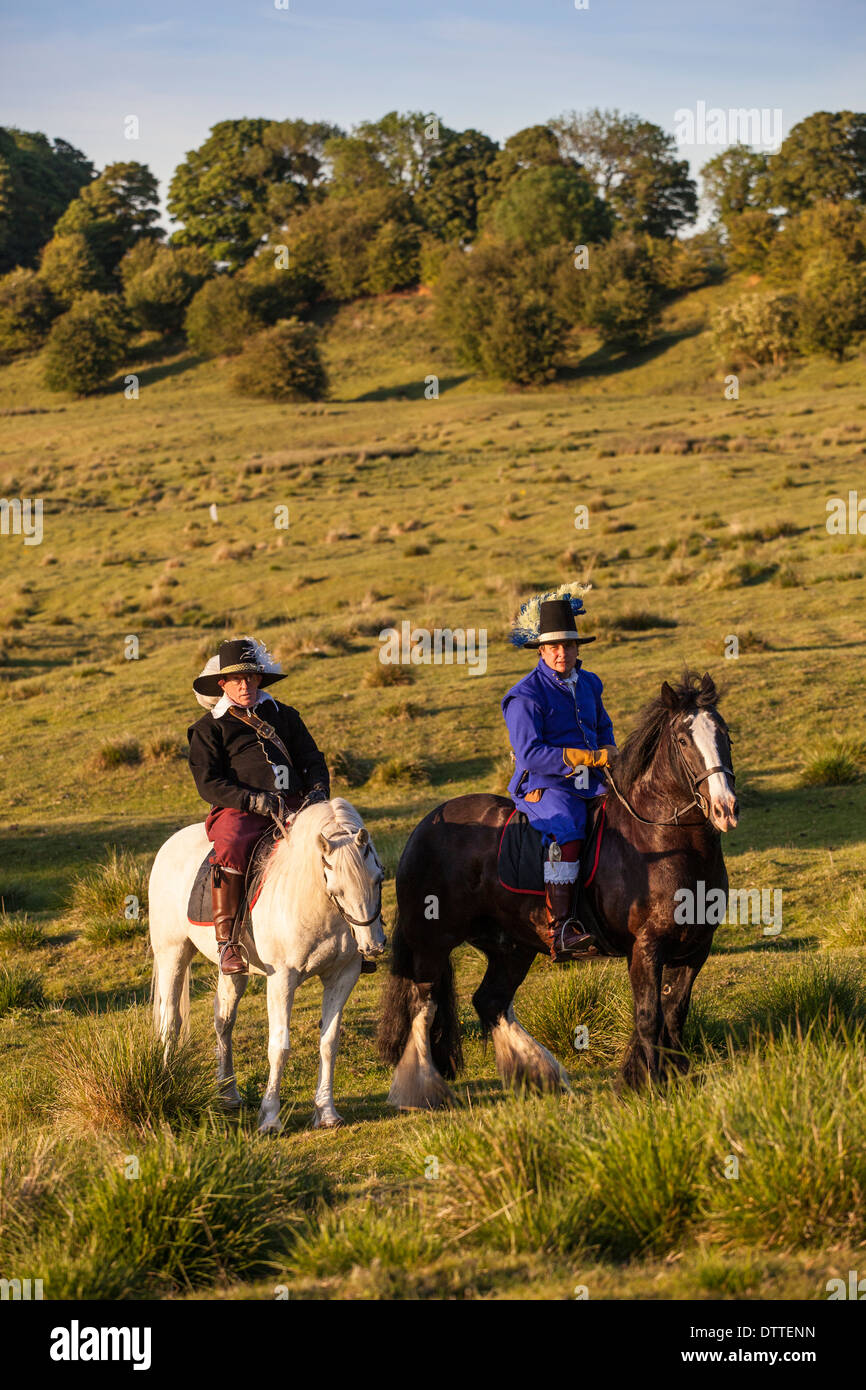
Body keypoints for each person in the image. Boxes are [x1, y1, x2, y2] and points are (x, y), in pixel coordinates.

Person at [188, 637, 329, 974]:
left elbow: (312, 759)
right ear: (222, 684)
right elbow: (209, 783)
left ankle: (361, 934)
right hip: (241, 811)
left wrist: (319, 791)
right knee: (232, 846)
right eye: (236, 679)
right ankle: (227, 943)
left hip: (296, 804)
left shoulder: (287, 716)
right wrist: (252, 800)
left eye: (251, 677)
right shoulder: (208, 729)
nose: (244, 684)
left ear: (259, 679)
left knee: (341, 836)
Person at [501, 589, 616, 962]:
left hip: (592, 778)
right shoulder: (524, 696)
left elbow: (603, 727)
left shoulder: (591, 683)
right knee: (567, 825)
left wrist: (610, 752)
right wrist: (584, 756)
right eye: (553, 647)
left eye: (567, 645)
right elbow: (531, 755)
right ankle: (562, 928)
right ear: (541, 650)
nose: (561, 653)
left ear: (577, 647)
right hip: (543, 783)